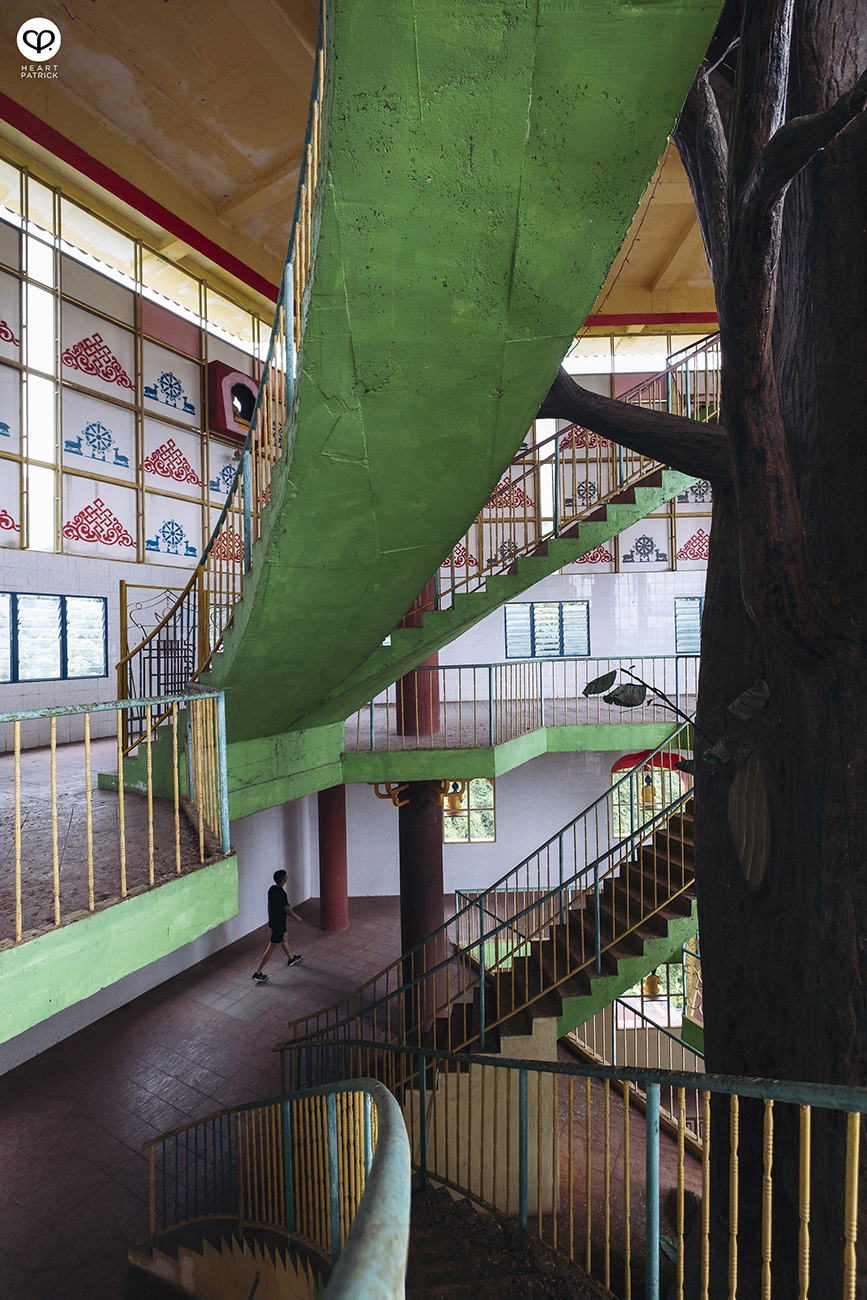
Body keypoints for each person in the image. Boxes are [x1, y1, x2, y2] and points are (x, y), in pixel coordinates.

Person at [252, 870, 303, 982]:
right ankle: (258, 973)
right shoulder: (282, 894)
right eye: (286, 876)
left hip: (275, 921)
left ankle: (291, 958)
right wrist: (297, 917)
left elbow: (269, 905)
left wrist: (270, 919)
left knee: (284, 937)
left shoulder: (272, 889)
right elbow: (287, 909)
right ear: (283, 880)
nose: (287, 878)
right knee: (271, 948)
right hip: (279, 923)